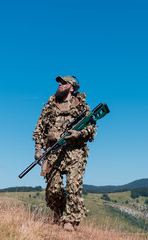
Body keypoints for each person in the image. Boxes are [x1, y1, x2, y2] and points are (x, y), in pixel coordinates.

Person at [32, 76, 97, 231]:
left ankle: (69, 221)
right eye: (59, 82)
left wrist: (78, 134)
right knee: (53, 190)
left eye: (64, 82)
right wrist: (38, 149)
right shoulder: (50, 106)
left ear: (72, 87)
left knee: (74, 187)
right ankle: (59, 213)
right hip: (53, 153)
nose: (60, 84)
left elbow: (91, 127)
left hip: (75, 153)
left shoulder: (81, 106)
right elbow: (40, 129)